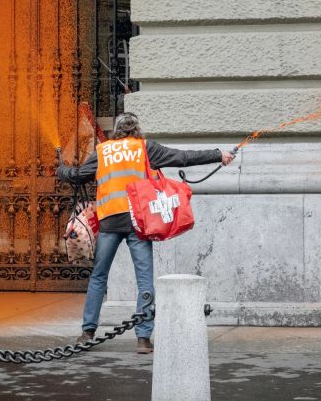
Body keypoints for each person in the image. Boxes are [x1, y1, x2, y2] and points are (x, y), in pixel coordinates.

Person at [57, 112, 235, 354]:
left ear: (116, 131)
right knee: (144, 280)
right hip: (138, 223)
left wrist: (61, 169)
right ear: (137, 129)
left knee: (99, 277)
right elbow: (182, 158)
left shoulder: (104, 151)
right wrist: (217, 155)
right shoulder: (145, 148)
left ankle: (87, 332)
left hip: (109, 221)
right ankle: (143, 339)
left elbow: (77, 177)